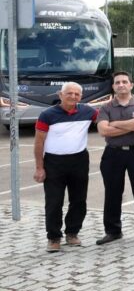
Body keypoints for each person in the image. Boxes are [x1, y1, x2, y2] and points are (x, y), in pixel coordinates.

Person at [95, 72, 134, 245]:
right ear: (113, 86)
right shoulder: (106, 107)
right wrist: (130, 126)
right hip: (113, 154)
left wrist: (114, 123)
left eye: (124, 82)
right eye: (117, 82)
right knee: (112, 192)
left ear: (131, 85)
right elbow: (103, 131)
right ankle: (113, 230)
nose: (121, 84)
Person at [34, 82, 97, 252]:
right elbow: (39, 142)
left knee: (78, 200)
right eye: (69, 93)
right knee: (54, 201)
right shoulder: (47, 115)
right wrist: (40, 168)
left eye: (77, 94)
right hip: (54, 163)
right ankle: (54, 237)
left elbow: (105, 118)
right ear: (60, 95)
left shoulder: (88, 111)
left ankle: (72, 233)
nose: (73, 97)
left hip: (79, 160)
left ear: (81, 97)